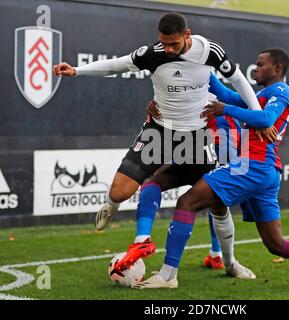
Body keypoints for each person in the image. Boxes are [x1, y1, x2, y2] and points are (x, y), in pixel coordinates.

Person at [53, 12, 262, 278]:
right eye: (164, 43)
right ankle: (111, 206)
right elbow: (117, 65)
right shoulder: (151, 54)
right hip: (159, 132)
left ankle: (231, 263)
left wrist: (258, 117)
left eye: (174, 43)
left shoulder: (210, 51)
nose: (169, 49)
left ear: (187, 35)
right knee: (119, 192)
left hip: (197, 136)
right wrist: (77, 70)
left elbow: (238, 80)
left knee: (218, 204)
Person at [135, 48, 289, 289]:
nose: (255, 68)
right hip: (263, 170)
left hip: (252, 164)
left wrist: (225, 110)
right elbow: (222, 92)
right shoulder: (260, 94)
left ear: (277, 68)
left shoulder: (282, 90)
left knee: (187, 202)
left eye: (261, 64)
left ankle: (169, 275)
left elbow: (265, 119)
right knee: (275, 244)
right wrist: (198, 66)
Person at [144, 97, 278, 270]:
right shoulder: (213, 95)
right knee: (213, 201)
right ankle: (221, 257)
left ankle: (218, 259)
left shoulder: (212, 96)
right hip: (213, 148)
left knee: (209, 200)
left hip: (220, 148)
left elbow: (251, 112)